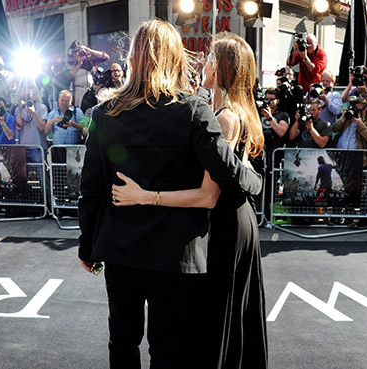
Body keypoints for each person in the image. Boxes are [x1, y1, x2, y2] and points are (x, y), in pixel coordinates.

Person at [79, 20, 265, 368]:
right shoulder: (193, 110)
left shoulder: (105, 113)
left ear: (133, 58)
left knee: (122, 341)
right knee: (168, 349)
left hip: (121, 248)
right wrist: (257, 181)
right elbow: (230, 175)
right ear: (177, 58)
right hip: (176, 255)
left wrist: (87, 244)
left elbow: (91, 188)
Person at [67, 41, 109, 107]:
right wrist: (79, 64)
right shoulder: (70, 63)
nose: (77, 53)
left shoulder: (88, 59)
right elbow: (69, 77)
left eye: (79, 51)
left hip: (91, 91)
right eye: (75, 52)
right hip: (78, 92)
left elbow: (105, 57)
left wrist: (90, 51)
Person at [15, 82, 48, 163]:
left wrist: (33, 112)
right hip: (23, 148)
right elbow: (18, 126)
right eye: (26, 89)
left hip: (38, 147)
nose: (29, 91)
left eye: (31, 89)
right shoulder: (18, 109)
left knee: (41, 173)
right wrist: (20, 108)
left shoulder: (42, 107)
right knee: (25, 174)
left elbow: (42, 127)